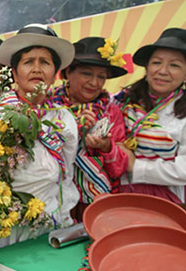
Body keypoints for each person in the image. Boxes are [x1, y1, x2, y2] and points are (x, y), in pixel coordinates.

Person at [0, 23, 79, 252]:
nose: (37, 68)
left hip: (49, 222)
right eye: (28, 62)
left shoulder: (63, 119)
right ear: (14, 72)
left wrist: (62, 216)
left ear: (54, 75)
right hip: (5, 225)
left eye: (45, 62)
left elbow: (66, 175)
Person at [50, 37, 129, 219]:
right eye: (87, 73)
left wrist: (106, 147)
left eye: (101, 76)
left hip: (95, 204)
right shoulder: (48, 106)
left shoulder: (111, 111)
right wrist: (70, 129)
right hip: (53, 199)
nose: (94, 83)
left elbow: (119, 168)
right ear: (68, 72)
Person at [115, 28, 186, 204]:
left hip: (167, 201)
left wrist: (136, 166)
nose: (163, 71)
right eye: (156, 63)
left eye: (174, 65)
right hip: (117, 193)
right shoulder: (123, 102)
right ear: (147, 68)